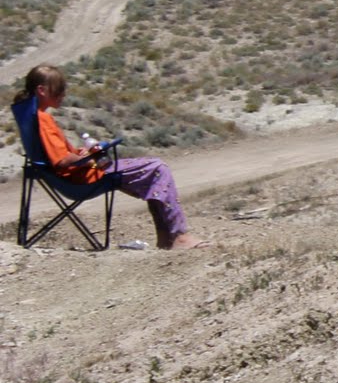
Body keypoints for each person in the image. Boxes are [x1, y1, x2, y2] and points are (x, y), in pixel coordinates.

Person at [11, 64, 208, 249]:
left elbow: (60, 156)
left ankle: (167, 239)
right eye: (59, 89)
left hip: (77, 175)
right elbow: (62, 161)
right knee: (157, 168)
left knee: (153, 172)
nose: (63, 94)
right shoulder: (43, 119)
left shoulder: (33, 116)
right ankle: (178, 236)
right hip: (84, 177)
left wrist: (82, 152)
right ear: (42, 90)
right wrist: (91, 155)